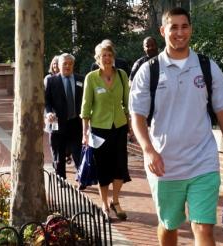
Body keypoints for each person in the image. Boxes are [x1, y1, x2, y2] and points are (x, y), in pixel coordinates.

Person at [130, 7, 223, 246]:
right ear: (163, 31)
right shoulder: (148, 71)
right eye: (174, 27)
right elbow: (137, 117)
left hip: (203, 161)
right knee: (169, 226)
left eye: (184, 26)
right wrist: (149, 151)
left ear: (190, 29)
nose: (179, 32)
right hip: (164, 164)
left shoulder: (207, 67)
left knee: (203, 227)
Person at [80, 40, 131, 220]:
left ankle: (115, 201)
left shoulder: (122, 75)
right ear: (98, 58)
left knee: (120, 166)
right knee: (103, 167)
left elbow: (127, 103)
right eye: (104, 56)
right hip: (99, 129)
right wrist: (85, 132)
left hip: (119, 126)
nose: (107, 58)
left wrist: (130, 126)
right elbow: (85, 108)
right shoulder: (91, 77)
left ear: (113, 57)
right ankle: (104, 202)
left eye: (110, 55)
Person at [44, 53, 84, 184]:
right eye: (64, 64)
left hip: (75, 123)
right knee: (59, 154)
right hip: (58, 123)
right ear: (59, 65)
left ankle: (82, 178)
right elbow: (46, 101)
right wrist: (49, 112)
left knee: (78, 152)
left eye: (70, 64)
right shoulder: (51, 80)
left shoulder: (80, 79)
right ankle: (61, 180)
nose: (68, 66)